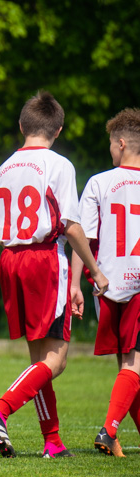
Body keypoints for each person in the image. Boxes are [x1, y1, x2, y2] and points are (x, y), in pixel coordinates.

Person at [0, 92, 108, 459]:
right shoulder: (59, 164)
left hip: (10, 259)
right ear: (59, 129)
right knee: (56, 361)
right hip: (44, 258)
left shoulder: (4, 167)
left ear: (21, 126)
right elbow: (70, 224)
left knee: (40, 361)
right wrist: (93, 271)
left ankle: (52, 442)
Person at [72, 108, 140, 457]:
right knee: (134, 365)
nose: (110, 152)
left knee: (126, 367)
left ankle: (114, 435)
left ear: (122, 143)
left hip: (108, 284)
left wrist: (75, 284)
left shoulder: (99, 182)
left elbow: (80, 235)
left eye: (112, 146)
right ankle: (109, 430)